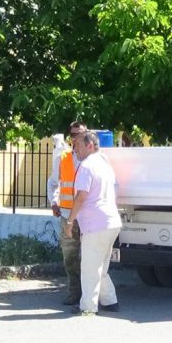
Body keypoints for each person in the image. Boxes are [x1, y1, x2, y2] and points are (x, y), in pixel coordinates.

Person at [65, 130, 122, 316]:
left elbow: (81, 196)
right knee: (101, 266)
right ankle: (109, 300)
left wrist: (70, 220)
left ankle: (88, 307)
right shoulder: (104, 163)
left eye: (79, 146)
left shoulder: (87, 165)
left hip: (95, 224)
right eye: (74, 147)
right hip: (111, 221)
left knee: (89, 267)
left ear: (90, 145)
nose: (75, 150)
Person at [47, 121, 87, 305]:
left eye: (80, 134)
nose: (76, 137)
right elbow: (54, 183)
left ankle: (90, 294)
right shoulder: (63, 158)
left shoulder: (93, 158)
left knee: (89, 257)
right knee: (69, 257)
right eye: (73, 134)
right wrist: (54, 202)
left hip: (88, 216)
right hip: (66, 215)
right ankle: (74, 292)